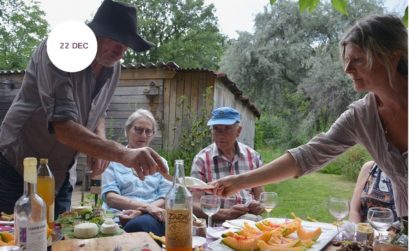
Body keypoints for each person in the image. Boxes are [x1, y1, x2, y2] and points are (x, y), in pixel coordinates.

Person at [212, 15, 408, 219]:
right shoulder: (361, 117)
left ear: (393, 57)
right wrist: (239, 182)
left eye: (357, 60)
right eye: (347, 60)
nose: (347, 69)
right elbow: (307, 155)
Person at [0, 0, 167, 217]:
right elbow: (63, 127)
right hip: (17, 166)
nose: (121, 51)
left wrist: (99, 142)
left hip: (60, 174)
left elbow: (98, 110)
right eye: (116, 41)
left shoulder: (113, 68)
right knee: (14, 241)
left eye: (126, 45)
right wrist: (123, 154)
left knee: (58, 242)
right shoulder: (60, 50)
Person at [101, 109, 171, 236]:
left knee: (142, 224)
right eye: (138, 129)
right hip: (119, 218)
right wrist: (147, 207)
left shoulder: (161, 163)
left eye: (148, 131)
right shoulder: (112, 161)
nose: (143, 135)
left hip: (151, 219)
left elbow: (166, 197)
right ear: (127, 131)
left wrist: (142, 212)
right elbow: (110, 197)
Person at [190, 107, 265, 224]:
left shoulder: (253, 156)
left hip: (250, 220)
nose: (221, 135)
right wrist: (227, 214)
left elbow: (261, 198)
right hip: (217, 223)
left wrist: (259, 206)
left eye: (227, 129)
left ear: (238, 131)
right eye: (216, 129)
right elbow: (194, 205)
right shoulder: (202, 159)